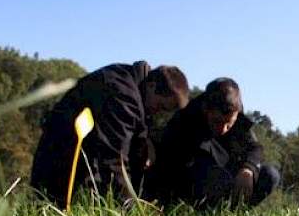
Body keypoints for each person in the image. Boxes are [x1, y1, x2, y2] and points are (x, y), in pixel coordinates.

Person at [30, 61, 188, 207]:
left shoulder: (131, 87)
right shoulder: (121, 95)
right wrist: (131, 208)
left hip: (67, 169)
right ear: (152, 86)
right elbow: (113, 159)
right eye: (160, 106)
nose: (157, 113)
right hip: (62, 176)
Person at [146, 78, 279, 209]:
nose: (223, 129)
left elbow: (254, 148)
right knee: (215, 174)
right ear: (205, 109)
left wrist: (248, 169)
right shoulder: (184, 121)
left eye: (228, 124)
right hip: (188, 185)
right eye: (217, 121)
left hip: (225, 181)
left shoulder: (238, 119)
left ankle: (234, 215)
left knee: (269, 175)